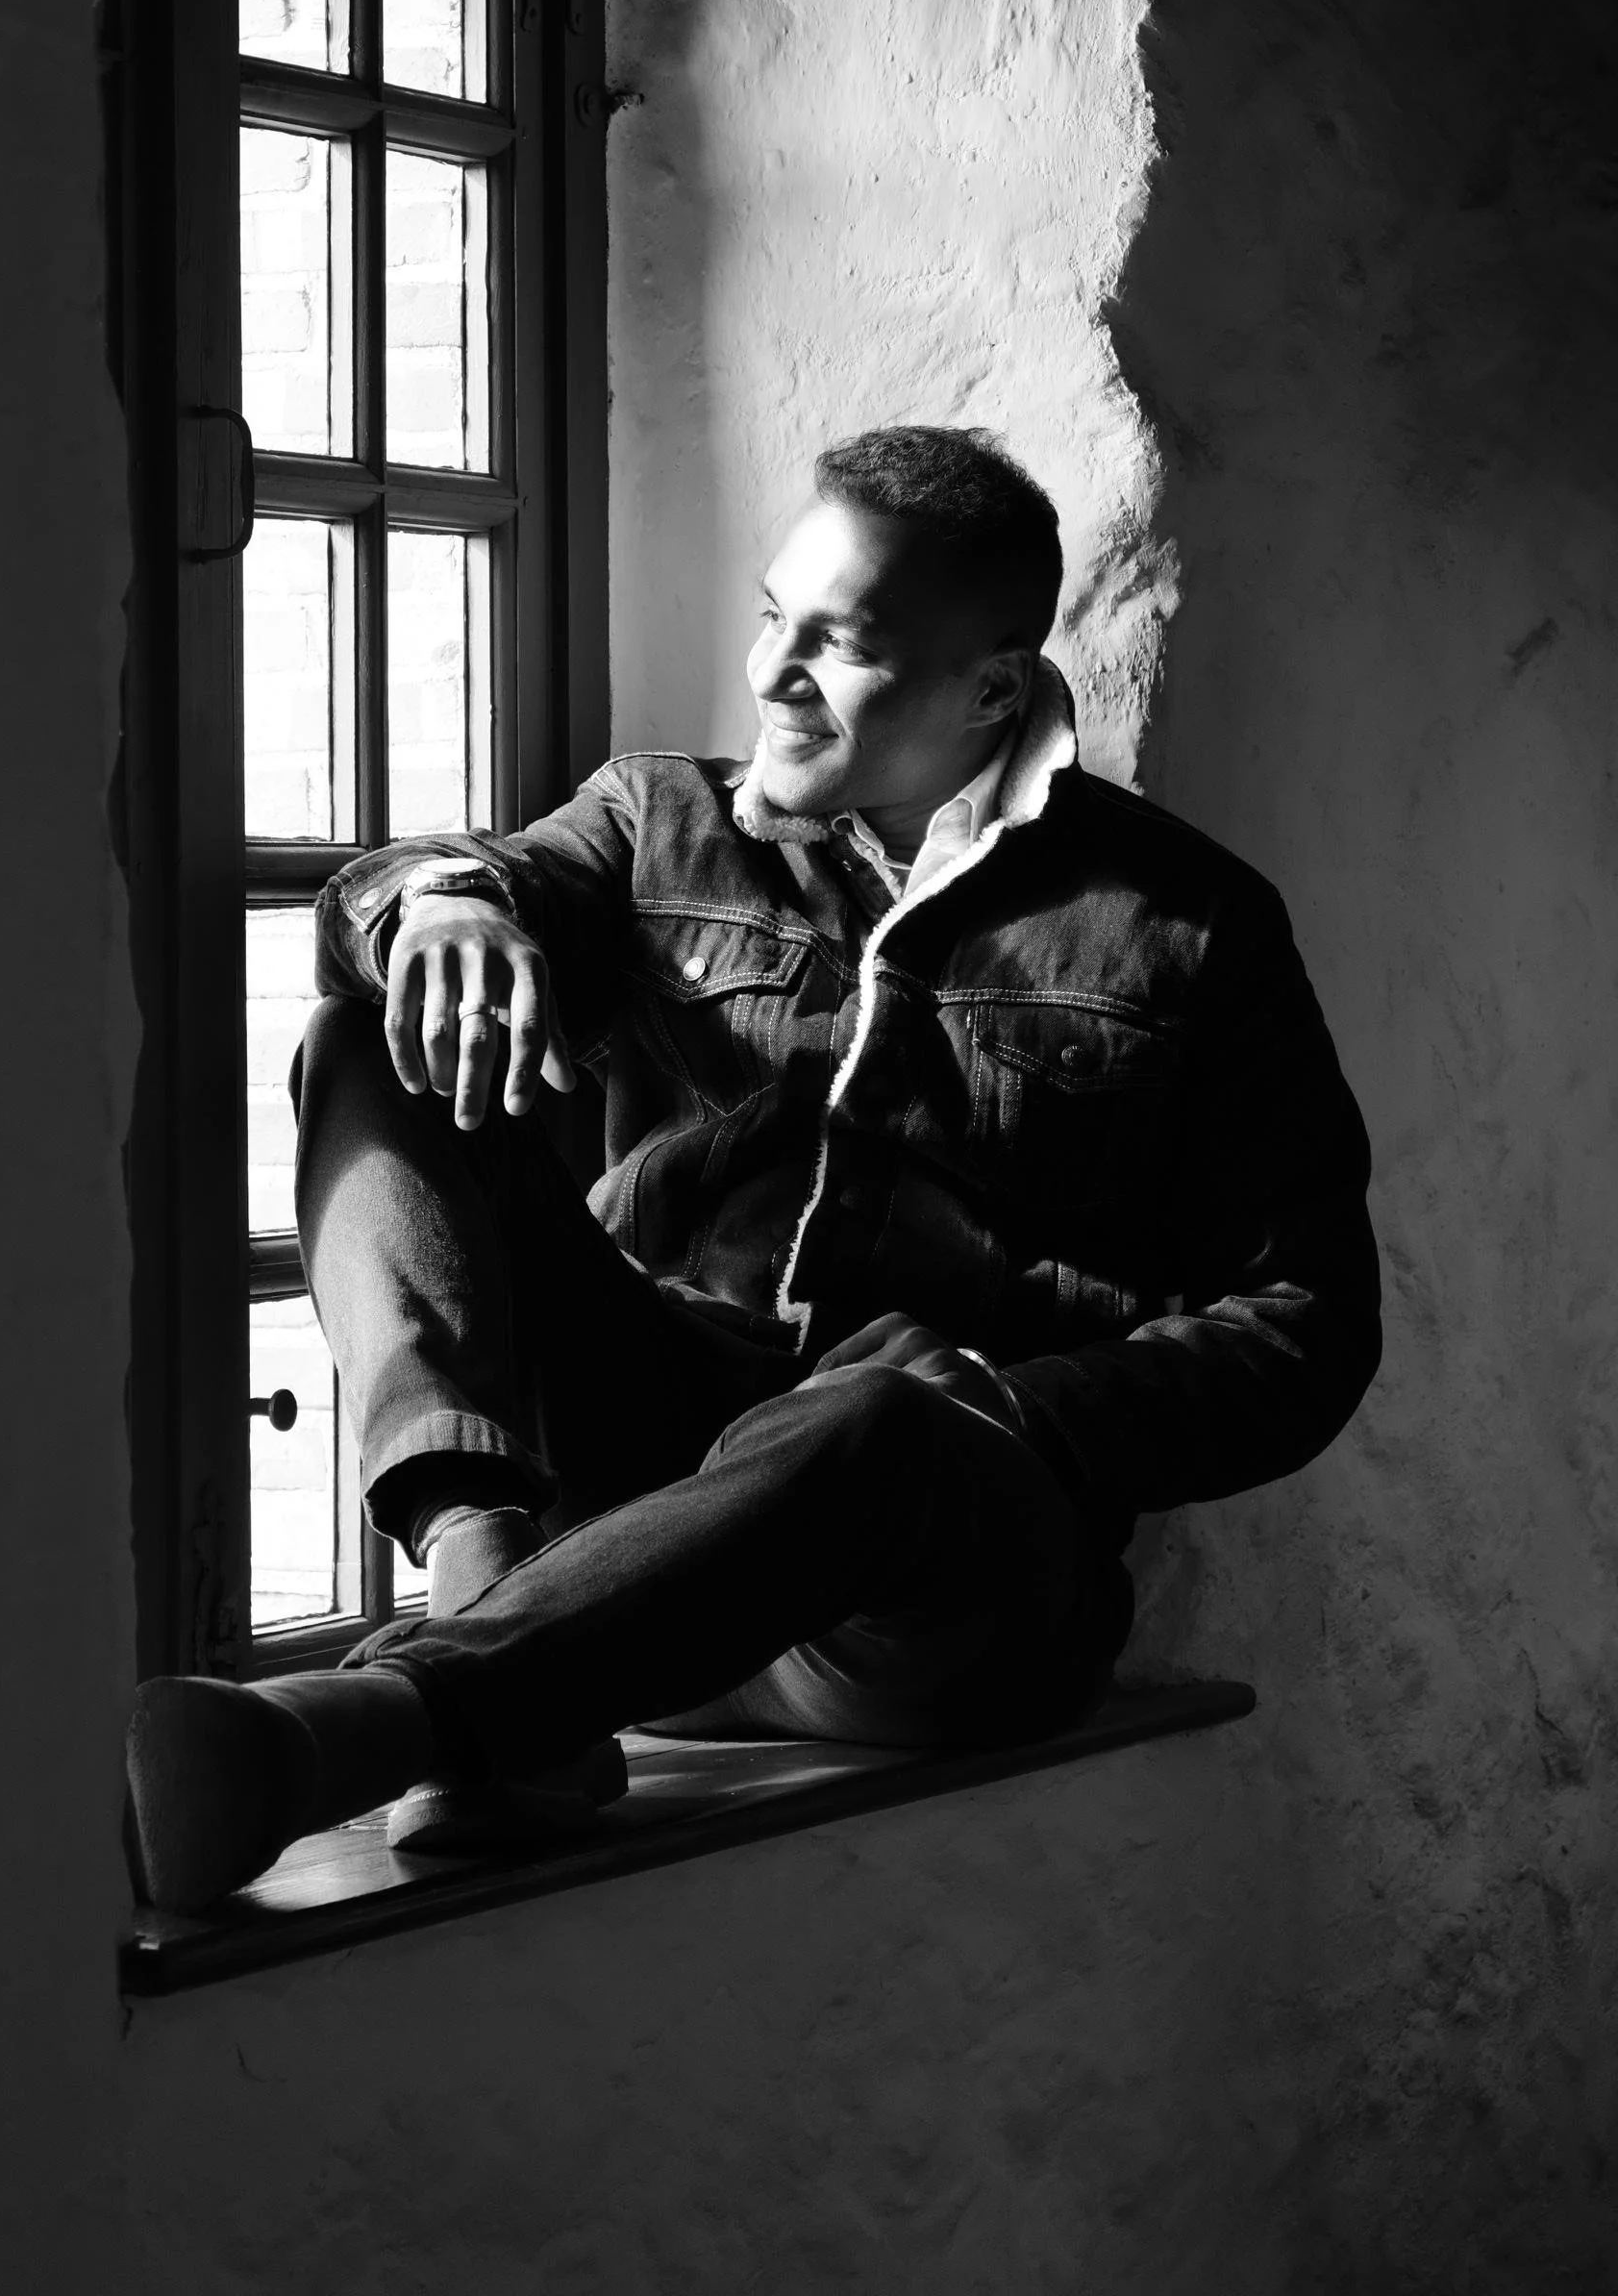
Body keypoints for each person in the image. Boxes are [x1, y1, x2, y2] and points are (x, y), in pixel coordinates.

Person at [128, 425, 1381, 1912]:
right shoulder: (662, 823)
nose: (772, 673)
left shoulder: (1188, 927)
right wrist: (443, 911)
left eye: (836, 644)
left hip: (926, 1583)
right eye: (773, 614)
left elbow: (1306, 1324)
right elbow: (419, 898)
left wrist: (1013, 1412)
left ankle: (370, 1731)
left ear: (991, 690)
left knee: (873, 1428)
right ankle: (485, 1572)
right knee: (368, 1044)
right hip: (631, 1508)